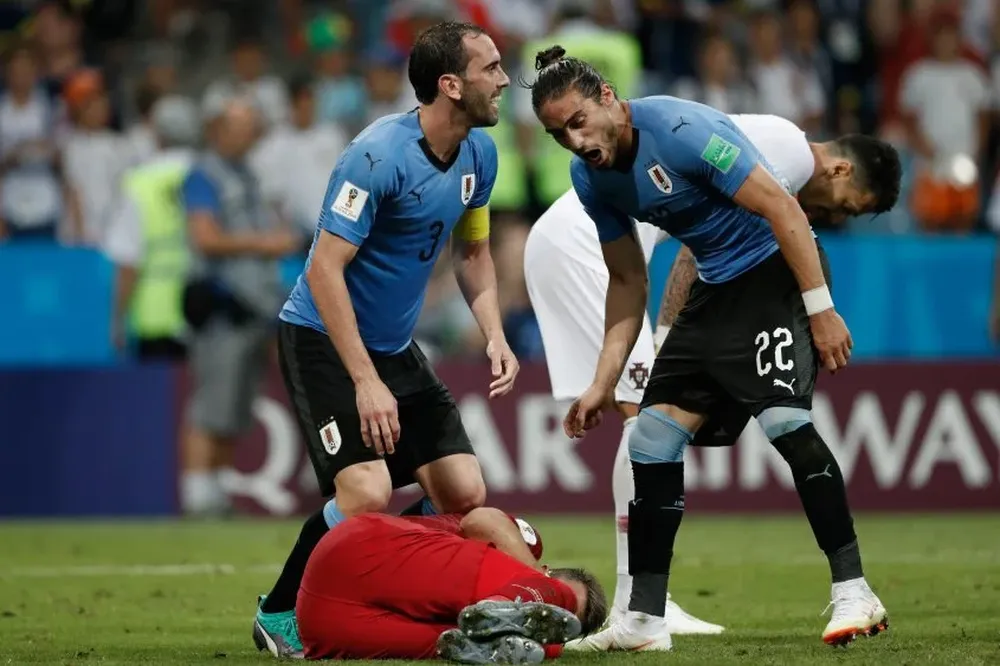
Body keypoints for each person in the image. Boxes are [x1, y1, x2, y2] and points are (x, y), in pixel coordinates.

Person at [528, 46, 900, 650]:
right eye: (556, 134)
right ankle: (644, 620)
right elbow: (627, 280)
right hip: (714, 288)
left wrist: (821, 308)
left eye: (576, 122)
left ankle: (854, 590)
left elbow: (782, 207)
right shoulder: (590, 176)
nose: (573, 141)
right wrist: (603, 382)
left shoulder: (681, 130)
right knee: (650, 436)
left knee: (784, 422)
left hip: (772, 274)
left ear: (606, 99)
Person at [254, 22, 519, 658]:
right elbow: (322, 269)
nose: (506, 80)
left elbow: (473, 252)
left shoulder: (480, 155)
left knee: (463, 491)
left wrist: (494, 333)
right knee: (366, 491)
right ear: (450, 85)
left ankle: (380, 579)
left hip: (394, 347)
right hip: (323, 336)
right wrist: (366, 381)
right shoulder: (375, 157)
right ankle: (280, 611)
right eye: (490, 68)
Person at [180, 96, 300, 516]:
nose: (250, 134)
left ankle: (217, 490)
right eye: (241, 126)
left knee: (235, 404)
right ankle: (196, 493)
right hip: (222, 302)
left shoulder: (248, 175)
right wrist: (265, 244)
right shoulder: (203, 176)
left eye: (252, 126)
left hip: (255, 303)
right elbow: (205, 237)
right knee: (210, 402)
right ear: (218, 129)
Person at [294, 508, 607, 662]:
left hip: (322, 624)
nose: (548, 618)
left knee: (452, 642)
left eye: (553, 621)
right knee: (547, 645)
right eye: (551, 615)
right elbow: (483, 519)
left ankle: (496, 632)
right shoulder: (525, 551)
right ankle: (508, 606)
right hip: (360, 550)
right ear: (546, 570)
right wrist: (536, 580)